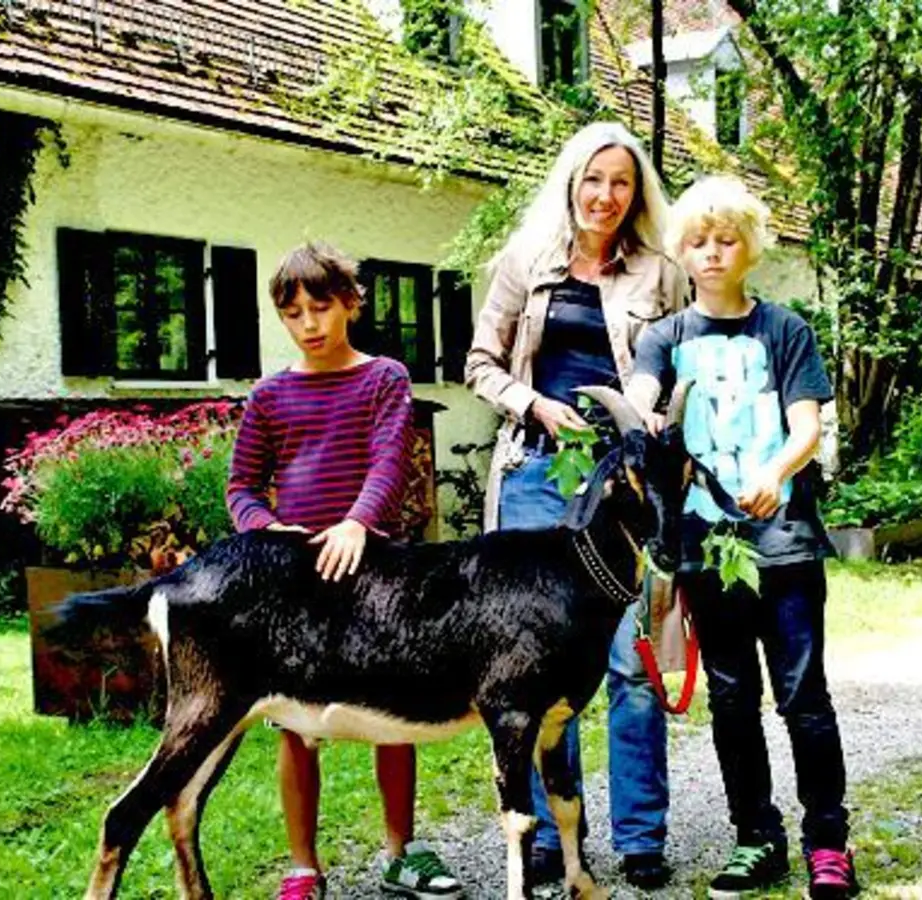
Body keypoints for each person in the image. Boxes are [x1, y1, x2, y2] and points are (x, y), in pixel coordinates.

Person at [463, 121, 689, 893]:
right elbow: (480, 364)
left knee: (630, 659)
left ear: (637, 193)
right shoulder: (525, 262)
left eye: (621, 182)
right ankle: (548, 838)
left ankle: (642, 835)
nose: (605, 195)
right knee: (526, 670)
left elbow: (677, 367)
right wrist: (532, 404)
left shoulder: (661, 272)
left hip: (621, 488)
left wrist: (658, 419)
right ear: (571, 182)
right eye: (593, 179)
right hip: (535, 474)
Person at [625, 176, 860, 899]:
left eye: (726, 239)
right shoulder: (665, 337)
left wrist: (778, 470)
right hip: (706, 545)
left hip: (782, 541)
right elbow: (641, 392)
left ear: (750, 246)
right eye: (698, 241)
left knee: (803, 697)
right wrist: (645, 413)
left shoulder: (784, 331)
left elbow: (807, 426)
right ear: (681, 251)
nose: (713, 253)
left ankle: (828, 844)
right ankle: (756, 838)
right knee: (731, 697)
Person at [227, 242, 464, 900]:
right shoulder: (269, 396)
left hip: (375, 573)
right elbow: (241, 487)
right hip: (294, 582)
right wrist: (265, 530)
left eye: (321, 306)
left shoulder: (384, 378)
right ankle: (303, 866)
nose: (308, 322)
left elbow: (390, 462)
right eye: (293, 311)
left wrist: (358, 523)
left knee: (394, 714)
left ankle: (401, 852)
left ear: (351, 305)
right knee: (295, 725)